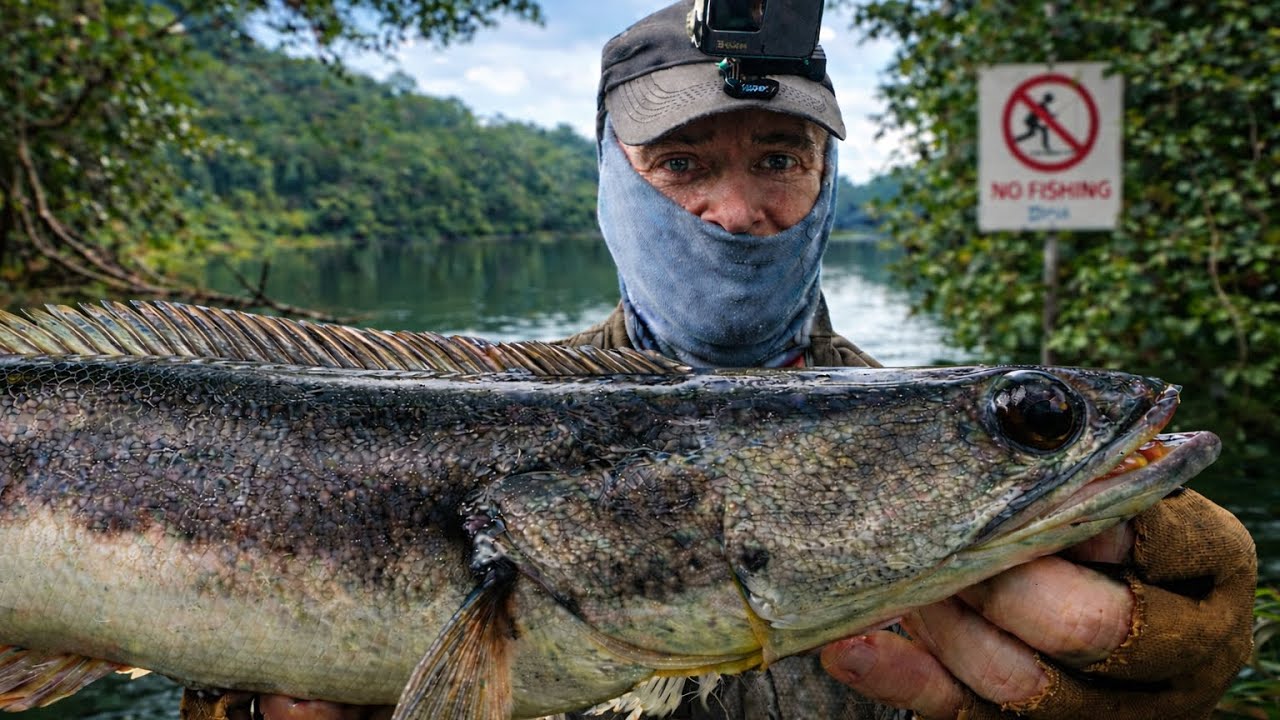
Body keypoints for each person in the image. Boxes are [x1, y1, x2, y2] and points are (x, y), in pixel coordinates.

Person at [195, 2, 1256, 718]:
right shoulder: (452, 419)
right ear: (608, 177)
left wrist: (1154, 659)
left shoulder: (931, 475)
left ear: (828, 179)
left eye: (780, 160)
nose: (736, 212)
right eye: (682, 163)